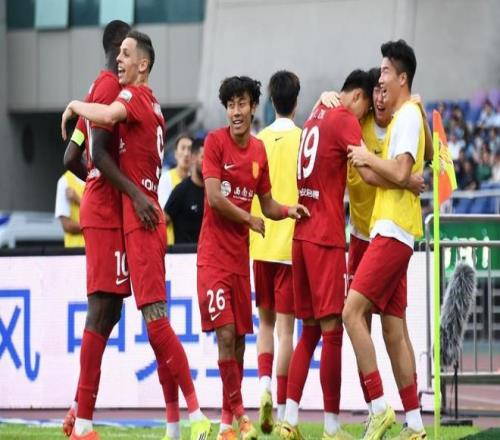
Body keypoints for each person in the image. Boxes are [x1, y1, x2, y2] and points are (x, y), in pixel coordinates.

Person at [61, 30, 211, 440]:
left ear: (141, 63)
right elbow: (87, 152)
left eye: (128, 54)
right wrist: (124, 190)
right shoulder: (118, 91)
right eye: (121, 52)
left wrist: (75, 106)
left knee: (142, 319)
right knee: (115, 313)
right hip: (121, 214)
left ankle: (191, 416)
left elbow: (80, 149)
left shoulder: (121, 94)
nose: (121, 60)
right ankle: (91, 418)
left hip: (135, 217)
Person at [196, 75, 309, 440]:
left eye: (241, 104)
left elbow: (268, 203)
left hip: (240, 262)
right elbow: (214, 198)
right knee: (226, 334)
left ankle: (225, 426)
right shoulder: (214, 143)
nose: (235, 111)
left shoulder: (259, 151)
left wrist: (288, 211)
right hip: (213, 258)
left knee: (241, 341)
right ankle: (242, 416)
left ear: (254, 107)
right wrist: (248, 219)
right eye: (230, 105)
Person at [279, 69, 373, 440]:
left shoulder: (316, 113)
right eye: (366, 109)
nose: (364, 118)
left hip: (301, 235)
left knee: (309, 332)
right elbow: (366, 166)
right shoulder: (344, 117)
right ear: (359, 96)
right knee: (333, 332)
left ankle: (289, 420)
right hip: (325, 237)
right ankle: (332, 427)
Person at [344, 39, 427, 440]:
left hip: (392, 231)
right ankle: (415, 425)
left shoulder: (408, 116)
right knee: (393, 331)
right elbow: (396, 176)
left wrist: (367, 157)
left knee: (350, 314)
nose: (381, 80)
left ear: (402, 78)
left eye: (386, 73)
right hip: (393, 228)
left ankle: (379, 407)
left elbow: (399, 171)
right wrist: (375, 164)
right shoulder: (403, 118)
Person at [59, 20, 131, 438]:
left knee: (111, 309)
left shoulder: (96, 89)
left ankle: (76, 408)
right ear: (119, 48)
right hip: (105, 212)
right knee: (102, 308)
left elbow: (71, 156)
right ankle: (84, 423)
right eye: (129, 47)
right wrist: (121, 190)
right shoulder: (108, 89)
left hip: (103, 208)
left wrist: (94, 181)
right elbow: (98, 155)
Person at [248, 70, 301, 435]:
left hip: (260, 242)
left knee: (264, 325)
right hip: (290, 245)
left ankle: (264, 386)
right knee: (286, 331)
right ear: (296, 101)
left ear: (270, 100)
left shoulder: (257, 141)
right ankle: (281, 408)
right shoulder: (304, 139)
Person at [165, 138, 205, 244]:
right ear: (194, 158)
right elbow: (164, 220)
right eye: (203, 157)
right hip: (184, 253)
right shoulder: (181, 190)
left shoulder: (212, 191)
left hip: (206, 252)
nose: (207, 163)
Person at [158, 134, 193, 245]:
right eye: (183, 148)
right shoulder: (166, 179)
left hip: (193, 244)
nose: (186, 153)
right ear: (176, 154)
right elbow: (164, 216)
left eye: (190, 149)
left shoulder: (197, 180)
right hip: (171, 244)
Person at [55, 170, 85, 247]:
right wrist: (94, 228)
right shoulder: (65, 181)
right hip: (75, 251)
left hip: (96, 249)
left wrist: (78, 200)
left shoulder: (98, 178)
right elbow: (67, 226)